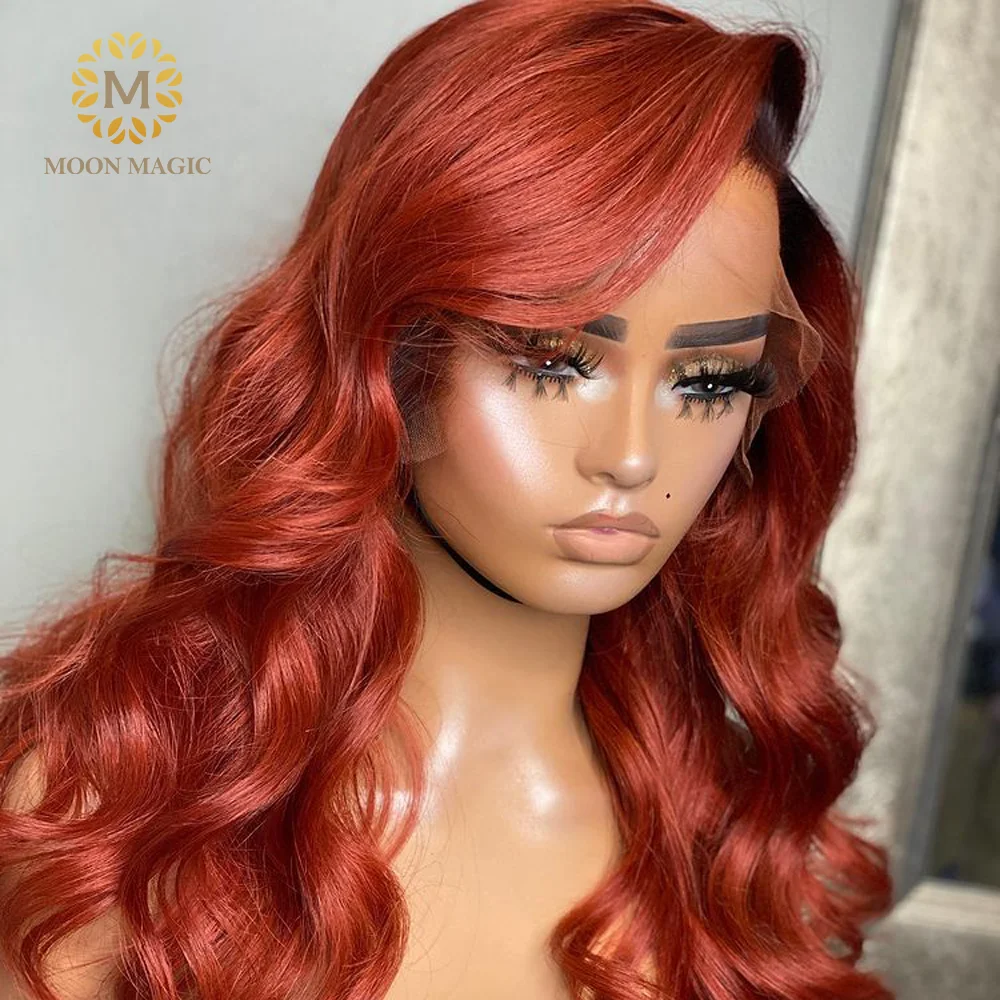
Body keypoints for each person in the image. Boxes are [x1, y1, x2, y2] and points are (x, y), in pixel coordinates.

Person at [0, 1, 895, 998]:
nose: (634, 457)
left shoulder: (730, 850)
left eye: (711, 381)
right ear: (389, 356)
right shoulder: (110, 809)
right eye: (552, 362)